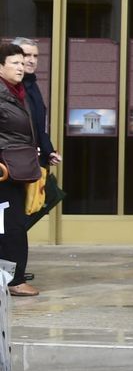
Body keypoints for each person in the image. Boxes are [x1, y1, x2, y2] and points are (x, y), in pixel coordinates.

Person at [0, 43, 43, 297]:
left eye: (22, 61)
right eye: (14, 63)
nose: (21, 66)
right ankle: (13, 280)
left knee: (12, 224)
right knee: (10, 226)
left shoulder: (18, 91)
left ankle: (11, 277)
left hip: (17, 169)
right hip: (5, 171)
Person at [12, 38, 60, 253]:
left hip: (33, 159)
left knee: (36, 205)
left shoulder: (32, 85)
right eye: (26, 55)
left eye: (35, 56)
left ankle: (12, 269)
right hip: (16, 161)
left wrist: (49, 151)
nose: (30, 61)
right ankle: (12, 271)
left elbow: (39, 125)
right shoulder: (13, 87)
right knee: (16, 217)